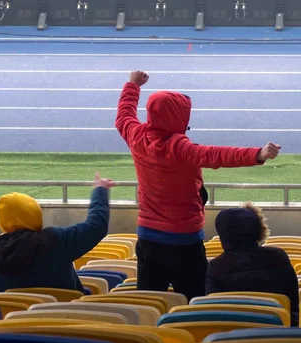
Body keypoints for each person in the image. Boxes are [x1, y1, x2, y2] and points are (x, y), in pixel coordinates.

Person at [115, 70, 281, 301]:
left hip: (148, 239)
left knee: (149, 301)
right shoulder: (179, 148)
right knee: (194, 301)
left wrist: (133, 85)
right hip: (185, 241)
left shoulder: (136, 135)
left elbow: (123, 116)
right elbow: (215, 155)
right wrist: (257, 154)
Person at [0, 173, 114, 293]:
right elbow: (96, 227)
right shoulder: (57, 240)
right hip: (66, 316)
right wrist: (100, 191)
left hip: (14, 318)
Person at [206, 203, 299, 326]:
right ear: (258, 230)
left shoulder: (216, 267)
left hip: (230, 339)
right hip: (279, 335)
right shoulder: (278, 257)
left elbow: (214, 312)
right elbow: (293, 306)